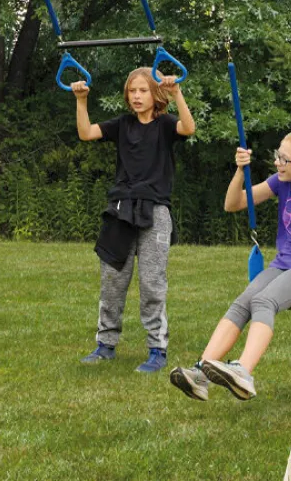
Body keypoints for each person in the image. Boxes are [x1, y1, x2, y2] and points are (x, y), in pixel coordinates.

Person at [169, 132, 291, 401]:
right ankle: (200, 374)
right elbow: (233, 204)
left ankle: (243, 372)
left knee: (263, 301)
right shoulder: (282, 181)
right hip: (283, 266)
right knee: (243, 303)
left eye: (284, 159)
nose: (277, 163)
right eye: (277, 155)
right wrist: (241, 171)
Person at [72, 67, 195, 371]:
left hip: (155, 212)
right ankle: (105, 345)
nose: (137, 96)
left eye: (143, 90)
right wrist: (81, 100)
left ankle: (157, 349)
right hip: (120, 210)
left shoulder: (166, 125)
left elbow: (189, 128)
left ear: (155, 95)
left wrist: (176, 92)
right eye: (132, 91)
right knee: (112, 281)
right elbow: (86, 133)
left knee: (152, 283)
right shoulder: (122, 125)